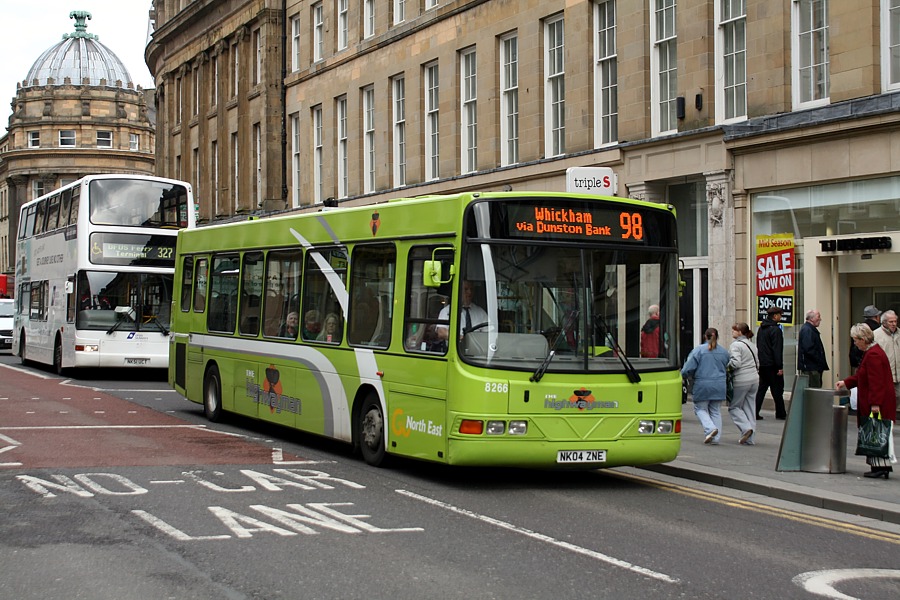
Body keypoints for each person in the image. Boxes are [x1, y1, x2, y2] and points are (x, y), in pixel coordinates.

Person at [835, 323, 897, 479]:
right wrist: (846, 382)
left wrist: (875, 404)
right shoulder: (873, 352)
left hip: (877, 404)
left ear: (863, 339)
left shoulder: (873, 355)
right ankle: (880, 466)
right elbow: (863, 376)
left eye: (856, 340)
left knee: (875, 432)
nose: (855, 343)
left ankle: (880, 467)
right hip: (877, 401)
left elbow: (876, 382)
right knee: (876, 433)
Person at [681, 328, 731, 445]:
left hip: (703, 384)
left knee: (700, 408)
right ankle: (716, 438)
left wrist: (683, 375)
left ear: (705, 336)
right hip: (719, 384)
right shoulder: (724, 352)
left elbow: (688, 368)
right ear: (717, 337)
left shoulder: (698, 350)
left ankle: (710, 428)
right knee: (715, 411)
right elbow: (727, 366)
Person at [728, 322, 759, 445]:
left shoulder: (735, 346)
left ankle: (746, 428)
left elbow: (736, 363)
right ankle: (750, 439)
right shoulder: (752, 345)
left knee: (734, 407)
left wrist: (726, 367)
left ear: (740, 332)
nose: (732, 332)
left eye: (734, 330)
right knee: (750, 407)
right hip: (754, 378)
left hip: (741, 379)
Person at [755, 305, 786, 420]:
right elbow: (777, 349)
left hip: (763, 363)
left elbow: (760, 346)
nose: (781, 317)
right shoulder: (775, 330)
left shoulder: (761, 329)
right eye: (780, 315)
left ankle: (755, 411)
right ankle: (781, 412)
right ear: (775, 316)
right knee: (777, 389)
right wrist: (779, 366)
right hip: (772, 364)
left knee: (762, 388)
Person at [873, 309, 900, 420]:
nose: (894, 324)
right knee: (884, 402)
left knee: (896, 399)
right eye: (891, 322)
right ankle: (883, 422)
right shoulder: (875, 335)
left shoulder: (899, 334)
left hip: (898, 376)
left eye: (895, 321)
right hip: (884, 376)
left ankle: (889, 421)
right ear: (884, 322)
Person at [797, 308, 829, 388]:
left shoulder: (809, 329)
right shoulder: (808, 330)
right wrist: (819, 360)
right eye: (818, 317)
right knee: (813, 389)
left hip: (812, 366)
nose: (820, 319)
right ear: (811, 318)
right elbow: (808, 349)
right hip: (811, 367)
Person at [850, 305, 881, 372]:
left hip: (859, 363)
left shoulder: (858, 329)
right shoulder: (878, 330)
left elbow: (853, 350)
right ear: (877, 317)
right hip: (873, 363)